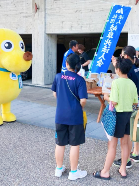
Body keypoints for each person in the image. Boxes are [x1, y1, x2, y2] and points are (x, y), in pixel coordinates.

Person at [93, 57, 138, 180]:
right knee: (125, 144)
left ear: (117, 70)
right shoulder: (132, 83)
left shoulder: (116, 83)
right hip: (128, 115)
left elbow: (114, 102)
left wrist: (106, 96)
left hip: (117, 115)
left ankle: (105, 171)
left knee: (112, 144)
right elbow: (135, 102)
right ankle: (123, 169)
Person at [52, 53, 88, 181]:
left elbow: (54, 93)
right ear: (77, 65)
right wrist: (79, 105)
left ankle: (59, 169)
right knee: (74, 144)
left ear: (66, 64)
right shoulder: (80, 80)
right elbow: (83, 100)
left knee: (60, 143)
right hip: (75, 116)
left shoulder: (58, 77)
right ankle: (73, 172)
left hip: (60, 115)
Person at [112, 46, 139, 169]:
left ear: (126, 55)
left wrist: (116, 66)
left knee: (127, 136)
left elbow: (122, 78)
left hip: (128, 106)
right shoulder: (137, 68)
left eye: (122, 55)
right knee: (133, 131)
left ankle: (127, 160)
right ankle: (135, 154)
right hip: (137, 101)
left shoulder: (128, 70)